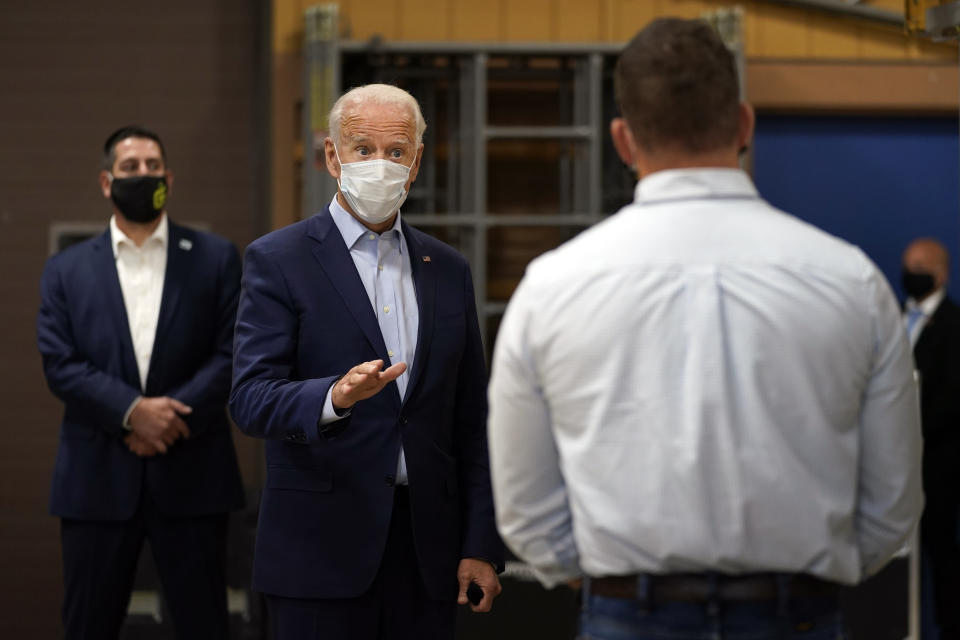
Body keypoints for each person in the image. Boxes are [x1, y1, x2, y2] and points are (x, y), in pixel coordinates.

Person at [487, 18, 923, 640]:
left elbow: (525, 509)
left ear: (622, 139)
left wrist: (611, 582)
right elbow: (892, 504)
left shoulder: (552, 286)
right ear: (744, 124)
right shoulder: (850, 280)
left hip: (625, 614)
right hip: (796, 613)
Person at [229, 83, 503, 639]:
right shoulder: (279, 259)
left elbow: (471, 420)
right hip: (319, 553)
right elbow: (250, 397)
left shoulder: (447, 269)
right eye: (362, 149)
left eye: (396, 152)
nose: (380, 165)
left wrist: (480, 544)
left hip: (427, 557)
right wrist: (333, 397)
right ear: (333, 156)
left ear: (416, 163)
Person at [37, 126, 245, 638]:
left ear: (168, 179)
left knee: (204, 626)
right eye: (131, 168)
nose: (143, 175)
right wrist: (134, 412)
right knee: (89, 626)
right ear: (108, 182)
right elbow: (60, 363)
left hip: (194, 475)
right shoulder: (65, 270)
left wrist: (168, 419)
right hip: (96, 481)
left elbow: (234, 352)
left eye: (153, 167)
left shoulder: (216, 257)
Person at [902, 238, 960, 640]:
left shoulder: (955, 327)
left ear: (941, 273)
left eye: (920, 266)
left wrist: (909, 432)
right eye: (908, 265)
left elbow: (951, 400)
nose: (911, 273)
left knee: (942, 553)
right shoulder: (893, 318)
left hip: (937, 463)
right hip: (894, 467)